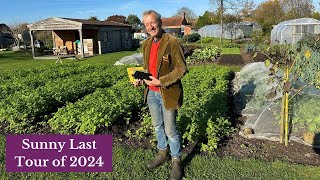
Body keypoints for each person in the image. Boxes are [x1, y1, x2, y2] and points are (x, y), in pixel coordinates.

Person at [134, 10, 187, 180]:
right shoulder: (147, 44)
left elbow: (181, 69)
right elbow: (149, 69)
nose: (150, 27)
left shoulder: (172, 42)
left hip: (167, 93)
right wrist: (141, 79)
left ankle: (176, 160)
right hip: (151, 93)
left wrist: (160, 81)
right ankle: (162, 152)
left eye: (152, 22)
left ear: (160, 22)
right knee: (157, 126)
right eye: (147, 24)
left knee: (170, 130)